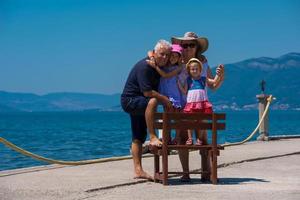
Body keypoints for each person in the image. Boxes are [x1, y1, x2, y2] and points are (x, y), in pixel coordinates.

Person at [171, 31, 225, 181]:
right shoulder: (176, 63)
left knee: (203, 139)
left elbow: (212, 85)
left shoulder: (204, 63)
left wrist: (220, 77)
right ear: (181, 47)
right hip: (182, 107)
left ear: (196, 47)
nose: (188, 48)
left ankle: (206, 172)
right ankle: (186, 173)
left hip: (201, 107)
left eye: (191, 45)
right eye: (185, 45)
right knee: (183, 139)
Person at [121, 39, 173, 180]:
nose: (165, 58)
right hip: (131, 101)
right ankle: (153, 136)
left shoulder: (157, 66)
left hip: (140, 102)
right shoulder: (145, 67)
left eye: (167, 55)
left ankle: (138, 171)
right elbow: (148, 93)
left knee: (137, 137)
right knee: (154, 100)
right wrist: (165, 99)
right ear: (155, 53)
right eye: (162, 54)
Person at [179, 58, 218, 145]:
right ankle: (190, 138)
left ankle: (199, 139)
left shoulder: (204, 79)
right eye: (192, 69)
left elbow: (214, 81)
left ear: (200, 70)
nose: (194, 70)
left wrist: (218, 75)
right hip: (191, 104)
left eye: (196, 69)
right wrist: (178, 84)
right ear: (189, 70)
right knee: (190, 121)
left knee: (201, 121)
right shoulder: (188, 80)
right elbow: (185, 91)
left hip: (201, 103)